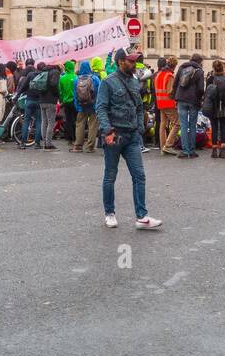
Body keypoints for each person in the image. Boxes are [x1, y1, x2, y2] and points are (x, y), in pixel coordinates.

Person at [95, 48, 160, 230]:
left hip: (132, 135)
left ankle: (142, 216)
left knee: (139, 175)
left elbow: (139, 106)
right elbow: (100, 108)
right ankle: (109, 213)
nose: (134, 64)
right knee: (110, 176)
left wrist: (139, 127)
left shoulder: (133, 81)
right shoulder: (107, 82)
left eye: (135, 61)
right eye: (130, 61)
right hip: (115, 135)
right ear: (120, 61)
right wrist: (108, 131)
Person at [172, 53, 205, 159]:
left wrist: (175, 96)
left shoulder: (182, 68)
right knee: (192, 125)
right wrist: (199, 98)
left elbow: (175, 83)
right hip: (193, 100)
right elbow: (200, 89)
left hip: (181, 99)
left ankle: (185, 151)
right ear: (199, 62)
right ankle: (191, 150)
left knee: (183, 125)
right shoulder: (199, 71)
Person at [204, 60, 225, 158]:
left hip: (214, 106)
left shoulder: (211, 79)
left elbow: (207, 94)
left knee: (215, 128)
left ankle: (214, 151)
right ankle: (223, 151)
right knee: (224, 128)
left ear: (213, 68)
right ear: (223, 68)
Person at [71, 60, 101, 153]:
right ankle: (90, 147)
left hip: (81, 106)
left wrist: (77, 106)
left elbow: (75, 95)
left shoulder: (76, 79)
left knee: (80, 125)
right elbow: (99, 93)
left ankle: (78, 146)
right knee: (92, 126)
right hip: (93, 106)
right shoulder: (95, 78)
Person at [154, 55, 179, 156]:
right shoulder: (169, 76)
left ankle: (163, 145)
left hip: (159, 101)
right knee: (178, 123)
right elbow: (170, 92)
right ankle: (168, 145)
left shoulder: (159, 74)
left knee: (163, 124)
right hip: (168, 102)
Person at [39, 58, 62, 149]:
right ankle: (48, 143)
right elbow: (53, 84)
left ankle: (45, 142)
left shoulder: (44, 71)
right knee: (51, 122)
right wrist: (57, 95)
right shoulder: (56, 72)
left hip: (42, 100)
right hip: (51, 100)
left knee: (44, 121)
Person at [59, 60, 78, 142]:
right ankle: (75, 137)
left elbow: (60, 91)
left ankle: (69, 137)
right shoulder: (76, 77)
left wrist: (61, 100)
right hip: (75, 101)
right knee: (76, 119)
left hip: (66, 101)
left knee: (68, 119)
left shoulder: (62, 78)